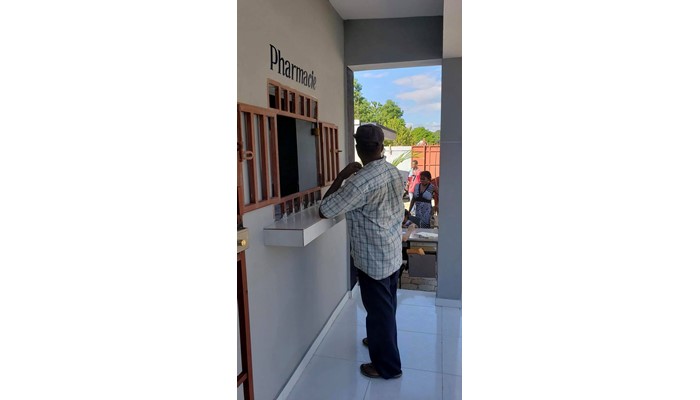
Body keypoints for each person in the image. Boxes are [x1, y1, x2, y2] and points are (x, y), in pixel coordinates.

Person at [319, 124, 404, 380]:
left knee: (379, 313)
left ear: (357, 148)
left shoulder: (358, 183)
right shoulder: (393, 171)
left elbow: (326, 209)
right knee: (386, 307)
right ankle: (380, 339)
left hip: (373, 258)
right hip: (391, 251)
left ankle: (388, 367)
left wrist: (341, 176)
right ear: (381, 146)